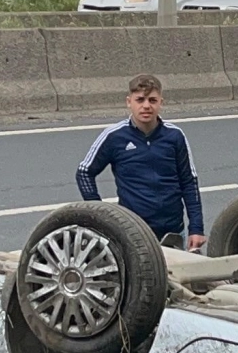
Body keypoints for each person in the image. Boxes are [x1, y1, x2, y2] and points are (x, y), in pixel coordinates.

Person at [76, 74, 205, 249]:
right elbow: (84, 173)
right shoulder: (114, 136)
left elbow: (189, 182)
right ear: (129, 102)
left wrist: (196, 228)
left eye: (152, 100)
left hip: (173, 231)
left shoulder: (175, 135)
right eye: (140, 100)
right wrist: (100, 214)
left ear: (161, 102)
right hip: (133, 233)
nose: (146, 106)